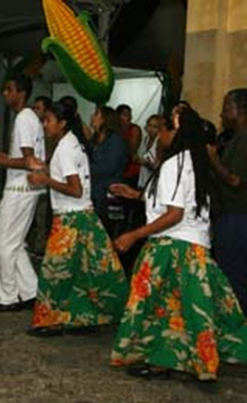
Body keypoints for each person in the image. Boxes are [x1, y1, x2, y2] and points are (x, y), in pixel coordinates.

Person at [110, 107, 247, 381]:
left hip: (173, 246)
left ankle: (167, 359)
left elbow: (175, 214)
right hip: (193, 247)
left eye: (163, 128)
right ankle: (165, 360)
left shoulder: (175, 164)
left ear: (177, 132)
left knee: (157, 305)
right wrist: (138, 194)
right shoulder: (193, 160)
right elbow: (175, 204)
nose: (159, 134)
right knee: (179, 309)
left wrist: (133, 234)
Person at [25, 103, 127, 337]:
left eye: (48, 120)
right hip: (83, 216)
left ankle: (50, 321)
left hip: (71, 219)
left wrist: (44, 179)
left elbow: (75, 189)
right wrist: (46, 169)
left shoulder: (65, 148)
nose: (44, 124)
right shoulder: (70, 143)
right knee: (87, 271)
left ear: (62, 124)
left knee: (54, 271)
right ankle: (86, 317)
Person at [0, 74, 45, 313]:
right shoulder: (27, 117)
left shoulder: (24, 118)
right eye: (4, 89)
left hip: (20, 188)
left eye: (9, 89)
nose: (5, 94)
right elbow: (24, 158)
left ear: (21, 93)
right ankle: (30, 292)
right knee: (15, 245)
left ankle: (7, 298)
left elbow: (28, 162)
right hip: (25, 188)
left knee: (3, 245)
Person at [208, 89, 247, 312]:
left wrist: (214, 161)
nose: (222, 115)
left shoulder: (244, 140)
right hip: (229, 215)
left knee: (234, 277)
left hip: (237, 216)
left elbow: (235, 180)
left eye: (225, 109)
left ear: (238, 109)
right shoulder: (234, 140)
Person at [89, 106, 128, 228]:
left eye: (96, 114)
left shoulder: (115, 140)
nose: (92, 117)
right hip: (94, 191)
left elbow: (108, 167)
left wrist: (84, 168)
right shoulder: (94, 139)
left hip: (107, 193)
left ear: (104, 120)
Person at [27, 95, 54, 256]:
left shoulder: (50, 130)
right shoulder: (33, 127)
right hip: (33, 175)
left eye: (38, 108)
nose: (35, 111)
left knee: (42, 214)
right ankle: (33, 243)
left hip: (44, 175)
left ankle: (40, 245)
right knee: (33, 212)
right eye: (34, 107)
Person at [117, 104, 143, 188]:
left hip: (131, 171)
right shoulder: (114, 129)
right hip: (117, 170)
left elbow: (132, 149)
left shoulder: (134, 129)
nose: (129, 118)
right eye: (125, 115)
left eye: (129, 115)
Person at [137, 115, 162, 189]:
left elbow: (159, 167)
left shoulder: (160, 142)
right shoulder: (146, 139)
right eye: (149, 125)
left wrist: (147, 163)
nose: (151, 129)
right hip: (143, 180)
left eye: (155, 127)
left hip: (154, 183)